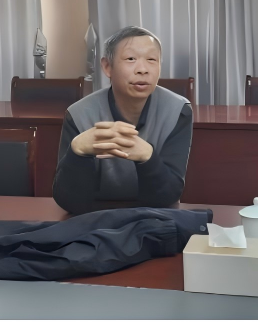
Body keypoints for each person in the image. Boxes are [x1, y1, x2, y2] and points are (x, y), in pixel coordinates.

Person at [53, 26, 193, 215]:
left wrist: (147, 157)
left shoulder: (177, 110)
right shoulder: (79, 114)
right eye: (130, 59)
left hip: (154, 218)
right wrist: (77, 151)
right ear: (107, 67)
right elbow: (70, 202)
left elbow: (168, 195)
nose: (142, 70)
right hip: (95, 217)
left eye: (152, 60)